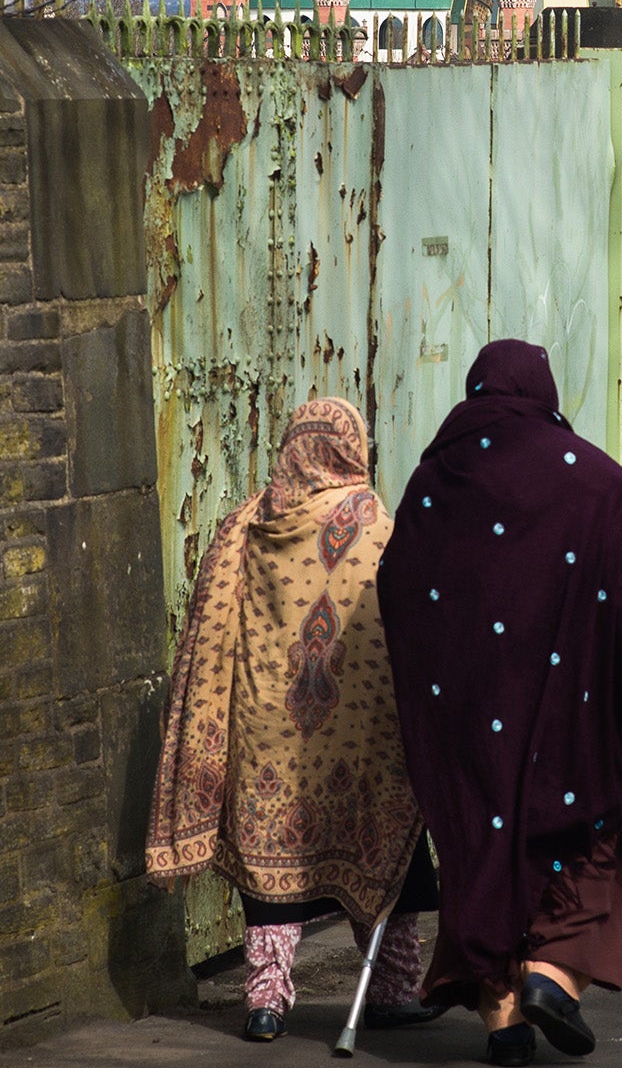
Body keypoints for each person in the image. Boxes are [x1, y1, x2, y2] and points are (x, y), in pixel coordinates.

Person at [378, 340, 622, 1066]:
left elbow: (396, 590)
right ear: (544, 393)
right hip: (569, 723)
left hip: (467, 728)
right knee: (586, 850)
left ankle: (504, 1027)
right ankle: (551, 978)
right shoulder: (596, 484)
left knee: (482, 856)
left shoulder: (431, 483)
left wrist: (436, 699)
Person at [145, 398, 442, 1043]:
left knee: (270, 878)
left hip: (270, 739)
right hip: (363, 739)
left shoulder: (246, 528)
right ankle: (391, 988)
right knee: (383, 851)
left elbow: (213, 631)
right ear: (350, 451)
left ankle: (265, 1001)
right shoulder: (375, 525)